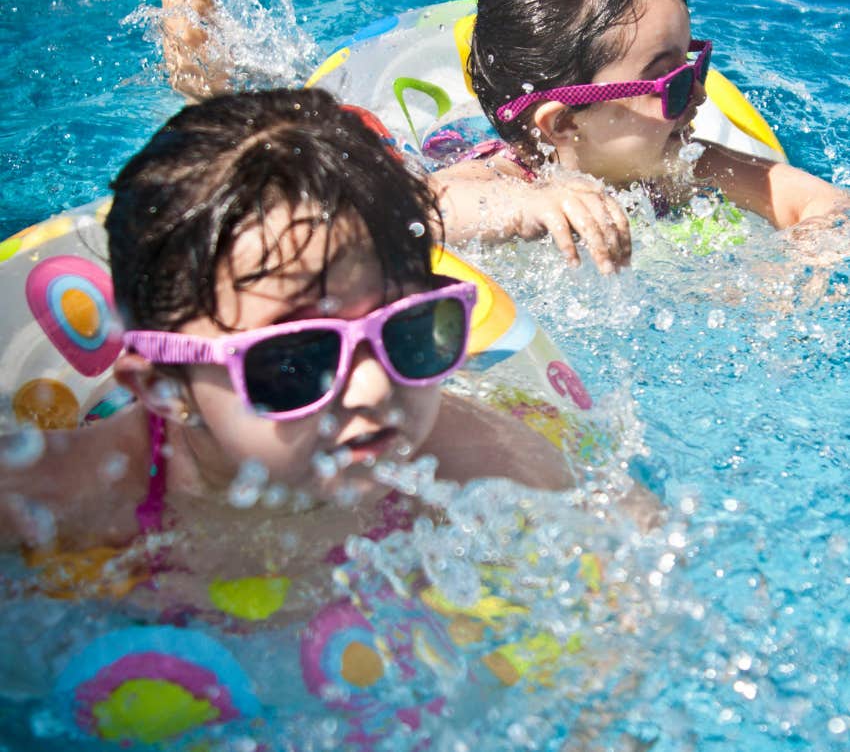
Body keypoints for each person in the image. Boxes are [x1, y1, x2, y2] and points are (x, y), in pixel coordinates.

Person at [0, 87, 582, 569]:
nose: (374, 389)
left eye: (408, 331)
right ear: (164, 387)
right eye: (296, 362)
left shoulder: (462, 457)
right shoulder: (70, 495)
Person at [159, 0, 849, 276]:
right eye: (668, 83)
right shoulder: (501, 174)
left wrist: (799, 268)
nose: (695, 97)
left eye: (694, 65)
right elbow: (420, 211)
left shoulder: (683, 162)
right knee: (233, 122)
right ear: (562, 126)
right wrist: (528, 202)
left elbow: (814, 204)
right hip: (423, 150)